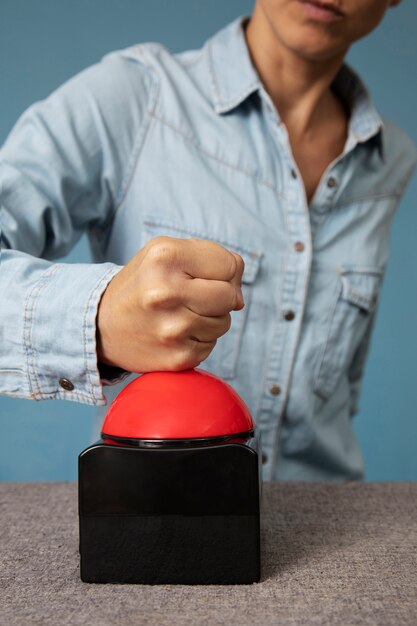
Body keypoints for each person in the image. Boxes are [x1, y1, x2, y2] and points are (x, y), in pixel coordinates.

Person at [1, 0, 415, 481]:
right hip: (166, 518)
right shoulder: (136, 97)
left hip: (336, 524)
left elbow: (342, 385)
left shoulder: (391, 160)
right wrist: (100, 317)